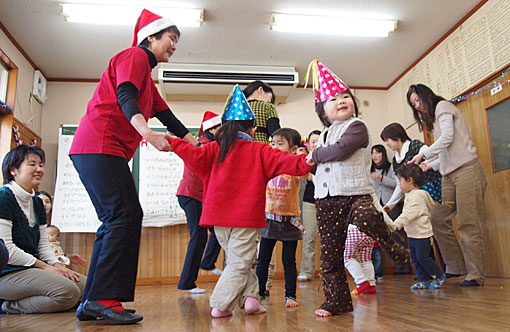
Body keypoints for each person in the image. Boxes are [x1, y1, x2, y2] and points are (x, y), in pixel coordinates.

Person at [69, 9, 199, 324]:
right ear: (150, 37)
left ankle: (93, 300)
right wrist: (147, 134)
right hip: (99, 146)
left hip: (97, 149)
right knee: (124, 215)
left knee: (117, 218)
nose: (174, 46)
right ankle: (102, 299)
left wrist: (195, 142)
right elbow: (125, 94)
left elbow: (168, 117)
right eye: (171, 38)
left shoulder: (147, 79)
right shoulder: (135, 56)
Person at [168, 85, 314, 318]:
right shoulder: (259, 150)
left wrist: (172, 142)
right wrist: (314, 157)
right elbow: (295, 164)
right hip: (245, 218)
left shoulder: (214, 148)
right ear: (253, 128)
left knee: (239, 260)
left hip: (217, 219)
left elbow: (192, 155)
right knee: (240, 262)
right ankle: (220, 305)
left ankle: (251, 300)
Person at [304, 60, 409, 317]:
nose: (341, 101)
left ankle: (391, 245)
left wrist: (315, 154)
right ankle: (336, 302)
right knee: (330, 257)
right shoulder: (325, 133)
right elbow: (323, 161)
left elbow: (342, 150)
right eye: (333, 100)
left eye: (345, 97)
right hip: (326, 200)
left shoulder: (357, 127)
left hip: (355, 193)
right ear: (323, 111)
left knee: (367, 216)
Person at [407, 84, 487, 287]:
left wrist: (423, 153)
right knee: (438, 217)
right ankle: (456, 266)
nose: (418, 106)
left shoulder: (443, 106)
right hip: (449, 176)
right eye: (414, 104)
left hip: (467, 171)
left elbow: (448, 139)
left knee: (468, 223)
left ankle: (475, 275)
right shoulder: (436, 119)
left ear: (426, 95)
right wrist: (430, 164)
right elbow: (447, 149)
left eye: (418, 100)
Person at [0, 145, 86, 314]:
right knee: (68, 293)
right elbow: (7, 249)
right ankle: (5, 306)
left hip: (32, 269)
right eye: (32, 164)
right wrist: (46, 268)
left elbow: (43, 244)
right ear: (13, 170)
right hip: (7, 272)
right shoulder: (4, 197)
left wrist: (56, 265)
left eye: (41, 165)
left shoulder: (37, 202)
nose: (39, 169)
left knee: (88, 290)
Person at [381, 123, 447, 274]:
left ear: (396, 136)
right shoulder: (395, 161)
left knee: (437, 229)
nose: (387, 144)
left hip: (430, 190)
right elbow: (399, 185)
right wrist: (390, 205)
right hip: (412, 198)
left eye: (388, 139)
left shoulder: (415, 145)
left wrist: (423, 159)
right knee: (421, 236)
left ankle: (445, 268)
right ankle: (429, 273)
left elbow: (429, 154)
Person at [256, 128, 307, 308]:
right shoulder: (268, 164)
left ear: (292, 148)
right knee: (263, 259)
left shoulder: (294, 167)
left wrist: (301, 156)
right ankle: (259, 293)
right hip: (269, 219)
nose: (275, 147)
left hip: (289, 221)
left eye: (280, 144)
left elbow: (305, 171)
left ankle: (290, 295)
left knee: (289, 261)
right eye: (273, 143)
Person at [177, 111, 222, 294]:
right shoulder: (203, 144)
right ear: (212, 128)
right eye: (221, 128)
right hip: (192, 195)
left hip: (199, 197)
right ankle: (187, 282)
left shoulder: (211, 144)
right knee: (199, 236)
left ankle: (208, 263)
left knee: (219, 230)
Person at [392, 164, 445, 290]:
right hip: (412, 234)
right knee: (415, 259)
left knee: (423, 257)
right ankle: (423, 280)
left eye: (400, 181)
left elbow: (409, 214)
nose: (399, 185)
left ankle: (439, 275)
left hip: (423, 234)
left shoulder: (417, 196)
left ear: (410, 180)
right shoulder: (411, 195)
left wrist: (395, 225)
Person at [370, 144, 399, 281]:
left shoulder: (391, 167)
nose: (375, 156)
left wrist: (381, 177)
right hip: (376, 205)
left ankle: (401, 267)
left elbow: (397, 184)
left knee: (395, 234)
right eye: (373, 153)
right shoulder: (368, 169)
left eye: (378, 152)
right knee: (376, 239)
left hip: (391, 204)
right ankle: (377, 271)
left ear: (383, 154)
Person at [37, 191, 87, 268]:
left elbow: (51, 251)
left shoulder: (50, 227)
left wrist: (66, 257)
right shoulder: (30, 225)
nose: (44, 204)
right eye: (40, 201)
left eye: (47, 202)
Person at [297, 130, 321, 282]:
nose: (314, 144)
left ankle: (330, 272)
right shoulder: (306, 159)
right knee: (310, 237)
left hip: (327, 202)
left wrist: (313, 177)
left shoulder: (329, 159)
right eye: (312, 141)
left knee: (330, 239)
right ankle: (307, 271)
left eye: (317, 141)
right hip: (309, 202)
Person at [344, 224, 376, 295]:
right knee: (366, 260)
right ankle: (371, 285)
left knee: (348, 258)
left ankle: (361, 282)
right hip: (371, 232)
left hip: (355, 231)